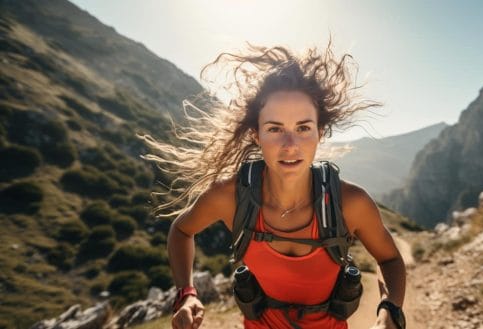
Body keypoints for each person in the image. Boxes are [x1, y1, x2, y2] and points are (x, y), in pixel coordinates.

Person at [142, 41, 406, 329]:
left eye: (303, 128)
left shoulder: (350, 203)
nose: (290, 146)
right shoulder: (229, 196)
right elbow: (181, 230)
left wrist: (389, 310)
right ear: (257, 135)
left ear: (320, 132)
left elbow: (390, 259)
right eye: (275, 129)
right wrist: (186, 294)